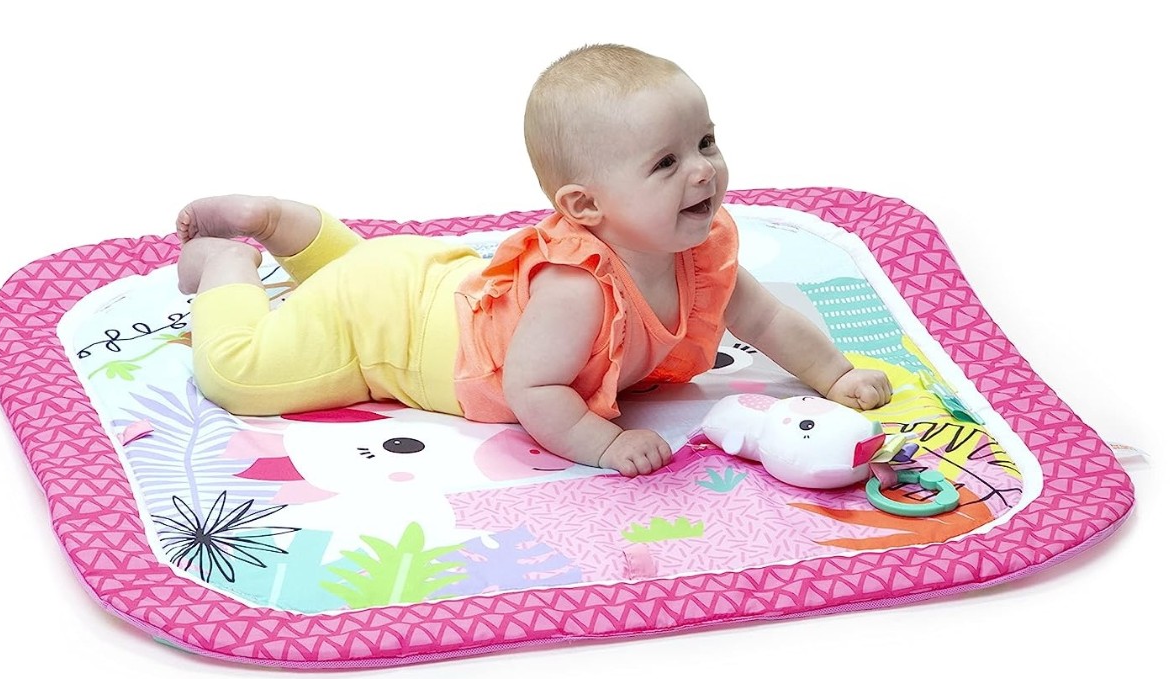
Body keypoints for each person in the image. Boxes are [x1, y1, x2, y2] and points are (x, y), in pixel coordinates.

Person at [175, 44, 892, 478]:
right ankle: (230, 263)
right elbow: (532, 388)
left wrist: (834, 374)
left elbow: (766, 318)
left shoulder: (699, 251)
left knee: (363, 275)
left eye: (705, 143)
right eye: (666, 163)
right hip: (388, 329)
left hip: (425, 282)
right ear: (584, 207)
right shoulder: (576, 287)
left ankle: (292, 227)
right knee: (238, 374)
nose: (703, 171)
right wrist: (603, 445)